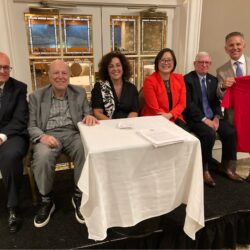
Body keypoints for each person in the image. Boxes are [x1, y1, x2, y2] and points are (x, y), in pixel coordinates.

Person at [28, 59, 98, 228]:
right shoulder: (36, 97)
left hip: (73, 133)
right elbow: (31, 126)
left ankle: (79, 193)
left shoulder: (79, 93)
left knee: (85, 149)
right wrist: (42, 137)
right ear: (49, 77)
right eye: (56, 73)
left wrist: (89, 117)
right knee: (43, 156)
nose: (60, 76)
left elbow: (88, 113)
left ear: (69, 75)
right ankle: (47, 199)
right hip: (48, 134)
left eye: (64, 73)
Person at [184, 51, 243, 187]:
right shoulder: (187, 79)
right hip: (196, 119)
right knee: (209, 134)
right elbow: (189, 104)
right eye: (201, 62)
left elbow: (216, 102)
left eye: (207, 62)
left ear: (210, 64)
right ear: (195, 64)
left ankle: (227, 167)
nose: (204, 65)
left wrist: (216, 117)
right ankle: (203, 169)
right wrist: (205, 119)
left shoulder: (213, 80)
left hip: (212, 116)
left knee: (230, 131)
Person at [0, 52, 29, 233]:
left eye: (6, 67)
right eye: (0, 67)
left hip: (12, 134)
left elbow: (20, 119)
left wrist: (2, 136)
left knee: (10, 156)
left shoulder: (19, 88)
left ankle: (13, 207)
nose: (3, 71)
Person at [216, 31, 250, 182]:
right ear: (226, 49)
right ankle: (231, 170)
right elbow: (220, 95)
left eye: (238, 44)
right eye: (231, 45)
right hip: (234, 113)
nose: (234, 48)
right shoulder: (221, 70)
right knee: (234, 139)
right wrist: (223, 86)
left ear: (244, 45)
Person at [141, 48, 188, 130]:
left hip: (175, 116)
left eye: (169, 60)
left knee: (185, 137)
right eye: (162, 60)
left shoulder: (179, 78)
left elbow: (182, 103)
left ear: (174, 63)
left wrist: (170, 115)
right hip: (155, 118)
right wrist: (168, 119)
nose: (166, 63)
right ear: (157, 62)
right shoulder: (149, 81)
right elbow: (154, 109)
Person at [91, 51, 139, 119]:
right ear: (106, 70)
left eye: (118, 65)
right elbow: (97, 112)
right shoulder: (99, 87)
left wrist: (126, 124)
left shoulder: (132, 88)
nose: (115, 69)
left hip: (128, 125)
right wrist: (112, 125)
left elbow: (134, 112)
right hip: (107, 125)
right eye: (111, 66)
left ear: (123, 67)